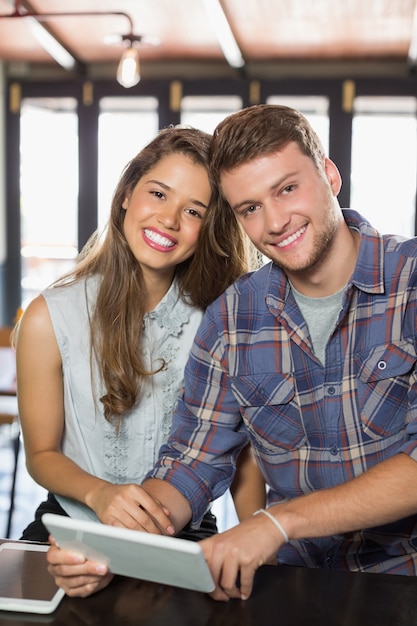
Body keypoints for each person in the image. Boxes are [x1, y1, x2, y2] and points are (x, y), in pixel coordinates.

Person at [47, 103, 417, 602]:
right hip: (291, 586)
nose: (276, 221)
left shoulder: (410, 281)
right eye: (250, 208)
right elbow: (191, 464)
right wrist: (110, 550)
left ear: (329, 174)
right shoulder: (232, 317)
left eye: (287, 188)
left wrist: (275, 523)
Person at [14, 125, 265, 546]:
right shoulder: (49, 317)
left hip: (186, 535)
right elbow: (41, 455)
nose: (168, 219)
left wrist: (261, 542)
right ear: (128, 193)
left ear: (209, 226)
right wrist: (101, 494)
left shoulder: (221, 321)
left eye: (194, 211)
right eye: (159, 193)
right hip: (73, 527)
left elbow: (244, 456)